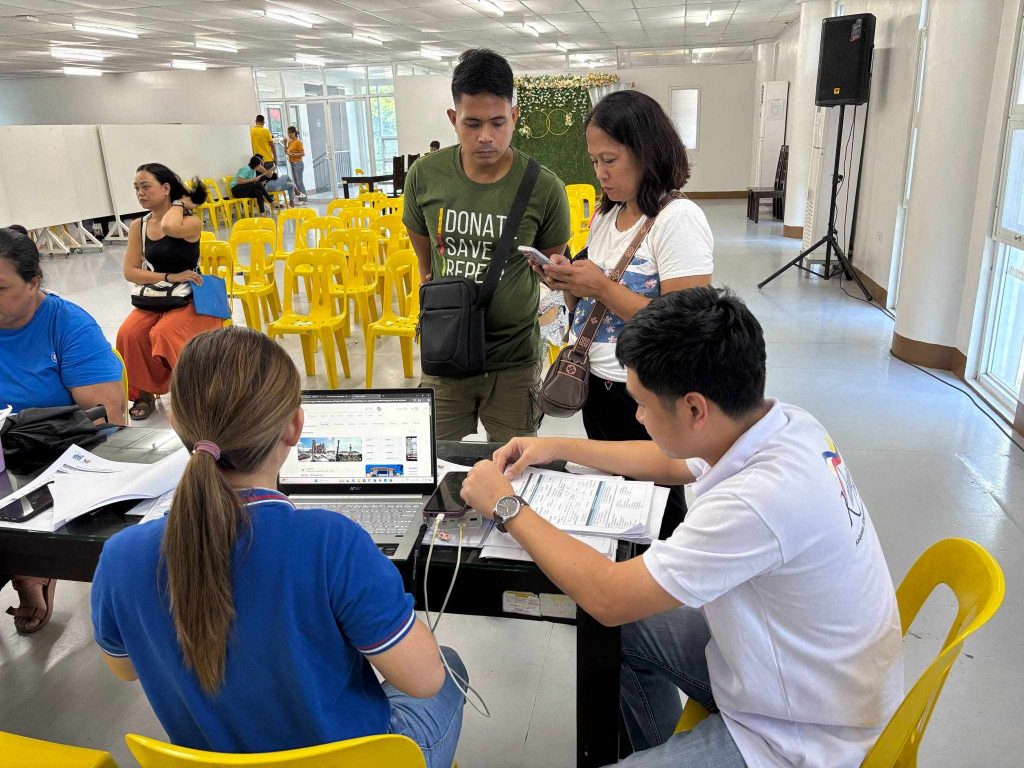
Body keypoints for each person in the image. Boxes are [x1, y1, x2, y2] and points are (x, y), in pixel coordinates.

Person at [460, 288, 905, 768]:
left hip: (802, 733)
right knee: (615, 638)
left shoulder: (758, 501)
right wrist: (555, 448)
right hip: (803, 669)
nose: (638, 417)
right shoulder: (780, 424)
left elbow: (610, 597)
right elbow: (672, 459)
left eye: (644, 405)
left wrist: (505, 505)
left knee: (608, 616)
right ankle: (661, 746)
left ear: (694, 409)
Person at [91, 327, 466, 768]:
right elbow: (424, 681)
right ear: (295, 426)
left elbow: (125, 668)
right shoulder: (332, 543)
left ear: (176, 423)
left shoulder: (121, 556)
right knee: (450, 667)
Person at [538, 89, 713, 536]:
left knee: (657, 505)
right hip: (597, 386)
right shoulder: (605, 215)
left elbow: (685, 324)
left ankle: (663, 588)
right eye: (595, 161)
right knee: (616, 502)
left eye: (610, 160)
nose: (600, 173)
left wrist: (600, 285)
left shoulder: (678, 219)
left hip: (648, 395)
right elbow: (592, 305)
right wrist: (569, 285)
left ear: (645, 152)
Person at [403, 48, 571, 442]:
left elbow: (552, 265)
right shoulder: (425, 176)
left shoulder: (545, 188)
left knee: (515, 472)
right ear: (452, 119)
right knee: (438, 466)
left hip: (513, 361)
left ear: (514, 116)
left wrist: (558, 274)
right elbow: (426, 265)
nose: (485, 137)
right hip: (445, 354)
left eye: (498, 122)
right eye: (471, 123)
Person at [0, 227, 125, 634]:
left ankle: (28, 574)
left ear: (34, 282)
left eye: (0, 287)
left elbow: (105, 418)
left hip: (55, 457)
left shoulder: (67, 326)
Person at [116, 163, 223, 420]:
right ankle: (144, 393)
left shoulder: (190, 222)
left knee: (163, 333)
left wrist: (178, 204)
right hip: (159, 295)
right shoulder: (138, 226)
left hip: (192, 298)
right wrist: (168, 276)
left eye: (146, 186)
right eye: (136, 188)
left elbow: (169, 228)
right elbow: (131, 271)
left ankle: (193, 392)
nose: (140, 193)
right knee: (128, 333)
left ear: (166, 188)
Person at [286, 126, 308, 198]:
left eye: (290, 133)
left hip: (298, 163)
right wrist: (284, 143)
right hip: (292, 163)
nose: (288, 135)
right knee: (296, 182)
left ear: (294, 133)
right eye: (288, 133)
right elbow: (286, 152)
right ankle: (300, 199)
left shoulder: (298, 142)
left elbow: (302, 153)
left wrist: (292, 154)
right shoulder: (290, 142)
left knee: (299, 182)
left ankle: (304, 200)